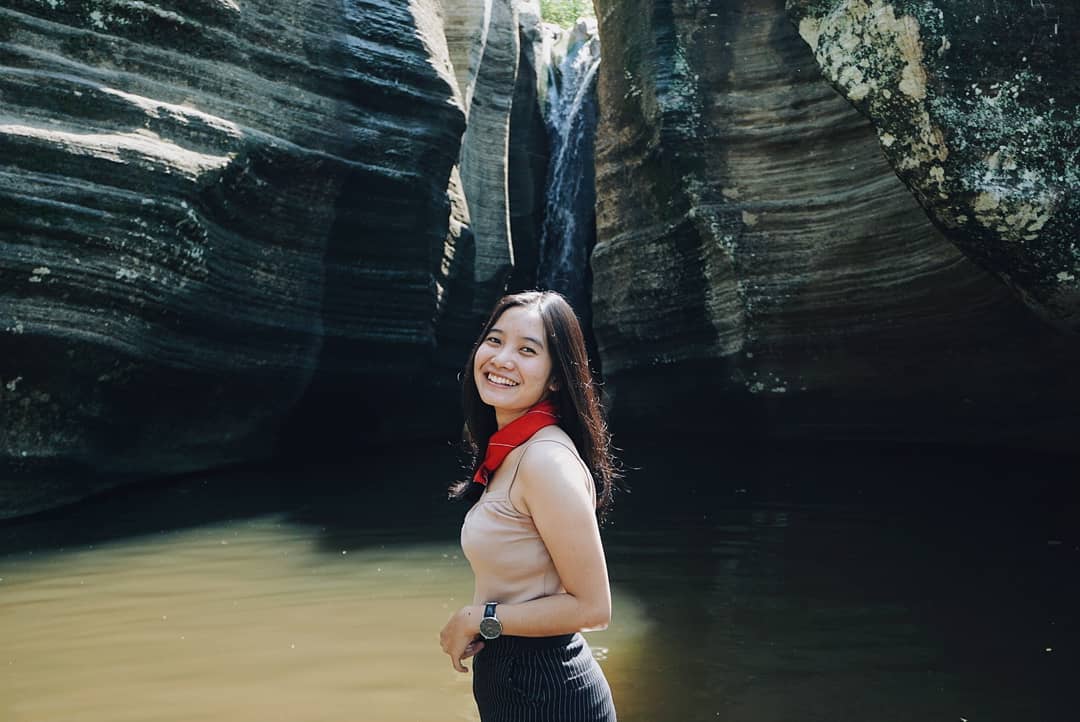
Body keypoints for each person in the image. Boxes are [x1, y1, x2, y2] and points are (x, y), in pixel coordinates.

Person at [439, 290, 619, 722]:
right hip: (520, 680)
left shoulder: (545, 461)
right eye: (495, 340)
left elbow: (594, 608)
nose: (502, 359)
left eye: (527, 350)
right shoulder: (514, 449)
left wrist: (477, 618)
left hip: (546, 688)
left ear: (557, 376)